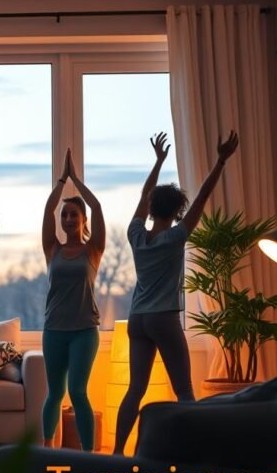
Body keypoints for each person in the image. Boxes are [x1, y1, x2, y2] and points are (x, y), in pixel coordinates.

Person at [113, 131, 240, 454]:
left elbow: (144, 194)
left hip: (137, 319)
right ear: (177, 212)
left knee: (135, 390)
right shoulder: (176, 237)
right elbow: (203, 197)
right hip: (163, 319)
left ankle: (116, 453)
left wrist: (158, 163)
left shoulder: (136, 234)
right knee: (184, 390)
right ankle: (195, 454)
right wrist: (221, 161)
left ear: (151, 209)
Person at [40, 149, 105, 451]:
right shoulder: (52, 248)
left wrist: (76, 181)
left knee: (78, 392)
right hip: (54, 329)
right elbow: (48, 209)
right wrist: (61, 181)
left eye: (73, 214)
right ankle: (47, 450)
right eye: (64, 215)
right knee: (55, 394)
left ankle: (89, 455)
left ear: (83, 219)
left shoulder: (93, 249)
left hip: (84, 331)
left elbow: (97, 206)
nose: (67, 218)